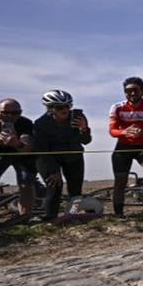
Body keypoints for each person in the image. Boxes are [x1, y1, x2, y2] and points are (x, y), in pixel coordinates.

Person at [33, 90, 92, 220]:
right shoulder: (41, 124)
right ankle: (51, 217)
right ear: (50, 108)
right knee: (54, 187)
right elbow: (41, 150)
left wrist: (84, 129)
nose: (65, 109)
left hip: (73, 156)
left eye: (68, 106)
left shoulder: (77, 118)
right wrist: (53, 170)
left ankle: (72, 215)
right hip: (49, 158)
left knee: (75, 189)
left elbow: (86, 141)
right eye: (60, 107)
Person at [108, 77, 143, 215]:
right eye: (128, 91)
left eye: (135, 90)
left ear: (142, 91)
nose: (131, 93)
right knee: (120, 180)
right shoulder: (117, 108)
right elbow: (112, 131)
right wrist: (124, 132)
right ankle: (118, 213)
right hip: (123, 146)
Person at [0, 98, 36, 225]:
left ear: (20, 113)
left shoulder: (25, 123)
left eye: (15, 113)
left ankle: (25, 218)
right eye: (5, 113)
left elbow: (28, 148)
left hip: (20, 154)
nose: (9, 116)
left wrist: (17, 143)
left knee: (27, 183)